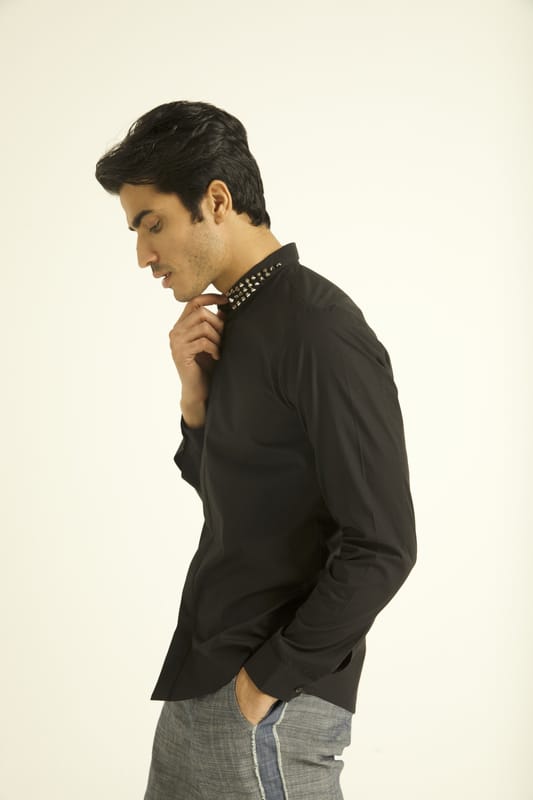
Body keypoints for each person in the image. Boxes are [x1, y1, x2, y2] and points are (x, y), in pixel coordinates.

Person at [94, 100, 417, 800]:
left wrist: (265, 683)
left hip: (266, 705)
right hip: (203, 683)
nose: (143, 254)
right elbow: (245, 503)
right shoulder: (235, 321)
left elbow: (382, 545)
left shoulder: (318, 328)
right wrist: (195, 405)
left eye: (153, 224)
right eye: (136, 231)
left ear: (216, 200)